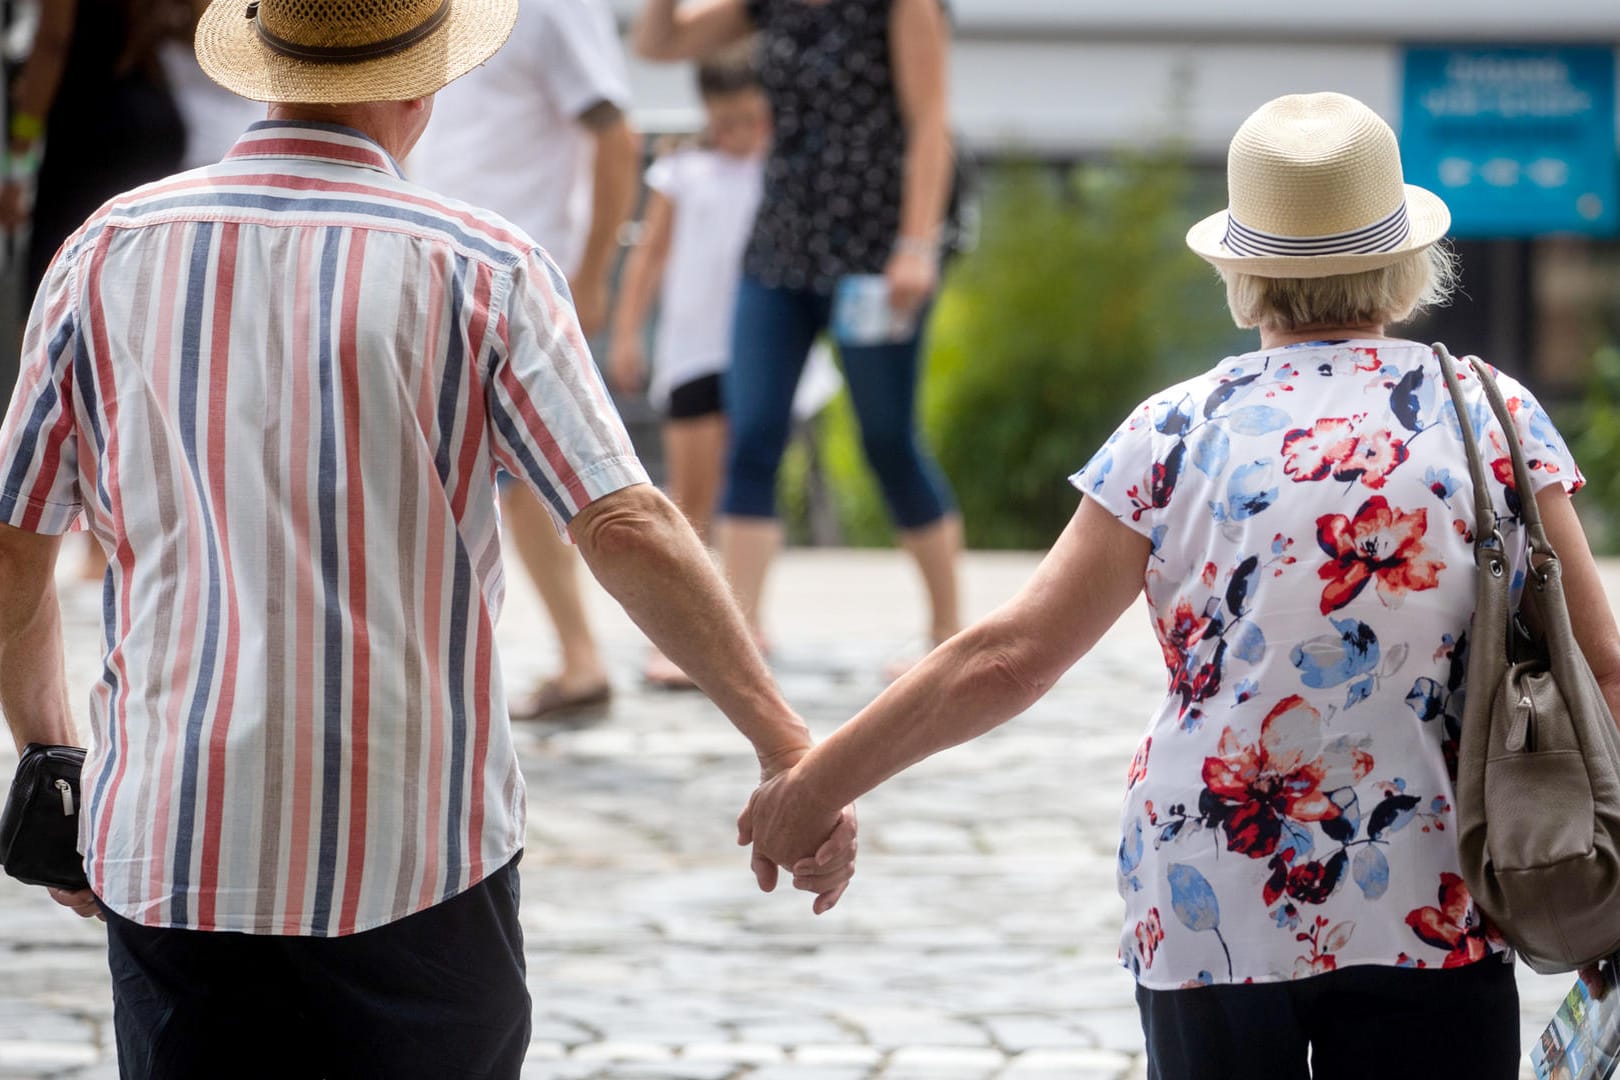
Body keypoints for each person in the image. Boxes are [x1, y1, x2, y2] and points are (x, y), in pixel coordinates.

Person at [0, 1, 853, 1075]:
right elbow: (623, 523)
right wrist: (786, 744)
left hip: (176, 844)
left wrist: (52, 770)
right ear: (422, 84)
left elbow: (15, 543)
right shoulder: (481, 266)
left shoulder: (106, 253)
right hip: (416, 854)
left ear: (266, 68)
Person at [738, 93, 1620, 1079]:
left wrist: (816, 784)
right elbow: (1605, 671)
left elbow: (1010, 659)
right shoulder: (1495, 415)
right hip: (1440, 895)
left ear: (1242, 276)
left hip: (1214, 889)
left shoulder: (1177, 429)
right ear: (1406, 265)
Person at [633, 0, 963, 669]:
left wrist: (917, 244)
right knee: (751, 435)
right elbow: (659, 44)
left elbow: (931, 122)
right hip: (780, 250)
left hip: (875, 256)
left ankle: (948, 634)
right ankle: (737, 638)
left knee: (888, 440)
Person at [409, 0, 642, 720]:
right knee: (483, 475)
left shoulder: (555, 7)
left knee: (554, 476)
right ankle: (568, 653)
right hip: (433, 257)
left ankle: (582, 654)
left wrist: (597, 270)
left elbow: (616, 137)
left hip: (521, 269)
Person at [609, 52, 770, 685]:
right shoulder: (682, 170)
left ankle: (748, 621)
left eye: (753, 119)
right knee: (692, 496)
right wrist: (627, 333)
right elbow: (648, 258)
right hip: (692, 348)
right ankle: (688, 630)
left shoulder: (780, 172)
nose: (741, 133)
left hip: (758, 347)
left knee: (749, 487)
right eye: (727, 121)